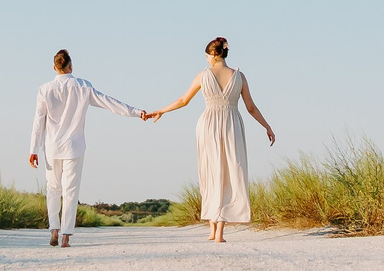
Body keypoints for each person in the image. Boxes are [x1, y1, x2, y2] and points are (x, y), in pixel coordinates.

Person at [144, 35, 274, 242]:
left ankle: (213, 229)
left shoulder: (203, 75)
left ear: (212, 55)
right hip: (232, 125)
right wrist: (267, 126)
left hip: (208, 124)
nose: (205, 59)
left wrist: (161, 111)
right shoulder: (239, 76)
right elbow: (251, 107)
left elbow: (183, 100)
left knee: (211, 172)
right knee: (229, 173)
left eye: (206, 56)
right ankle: (219, 232)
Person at [28, 48, 146, 248]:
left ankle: (54, 230)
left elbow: (38, 122)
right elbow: (109, 103)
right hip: (74, 147)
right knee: (70, 190)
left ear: (54, 67)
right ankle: (66, 235)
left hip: (51, 147)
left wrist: (33, 149)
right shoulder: (82, 86)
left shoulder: (44, 89)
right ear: (70, 66)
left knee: (53, 189)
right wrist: (136, 112)